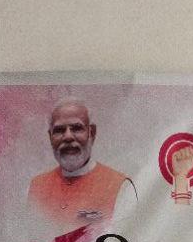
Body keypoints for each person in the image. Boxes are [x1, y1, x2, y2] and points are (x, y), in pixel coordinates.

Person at [26, 99, 137, 232]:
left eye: (77, 128)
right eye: (59, 130)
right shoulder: (35, 187)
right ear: (50, 136)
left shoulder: (121, 186)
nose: (68, 137)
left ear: (92, 133)